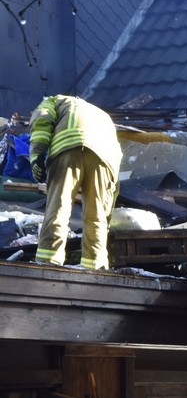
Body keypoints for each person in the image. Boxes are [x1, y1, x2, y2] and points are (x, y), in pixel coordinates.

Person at [29, 95, 122, 270]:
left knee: (58, 210)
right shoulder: (104, 116)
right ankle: (95, 266)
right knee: (97, 217)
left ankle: (48, 263)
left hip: (68, 150)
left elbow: (42, 120)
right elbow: (116, 158)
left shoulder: (54, 100)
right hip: (104, 160)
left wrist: (37, 155)